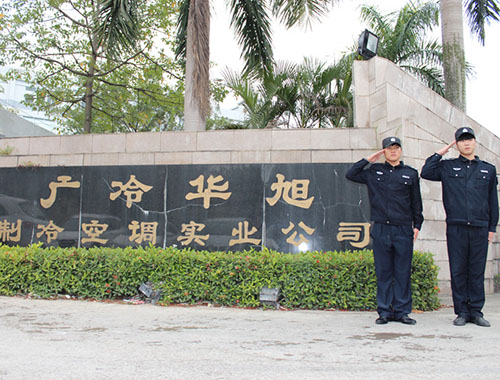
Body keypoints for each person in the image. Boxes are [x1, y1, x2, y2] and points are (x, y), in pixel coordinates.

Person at [421, 127, 498, 327]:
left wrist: (492, 228)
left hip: (480, 227)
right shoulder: (448, 167)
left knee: (476, 270)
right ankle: (462, 311)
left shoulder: (487, 169)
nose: (466, 143)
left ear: (475, 142)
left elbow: (493, 201)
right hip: (456, 227)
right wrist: (442, 151)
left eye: (469, 139)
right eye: (461, 140)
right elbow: (426, 171)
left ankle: (476, 311)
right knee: (458, 270)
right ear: (456, 144)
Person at [346, 136, 423, 325]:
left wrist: (417, 225)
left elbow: (416, 202)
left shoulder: (410, 173)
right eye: (389, 148)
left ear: (401, 151)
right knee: (384, 272)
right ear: (384, 152)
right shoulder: (374, 171)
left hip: (403, 228)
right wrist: (369, 159)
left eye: (396, 148)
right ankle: (384, 312)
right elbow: (351, 174)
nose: (393, 151)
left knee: (402, 272)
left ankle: (402, 312)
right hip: (381, 227)